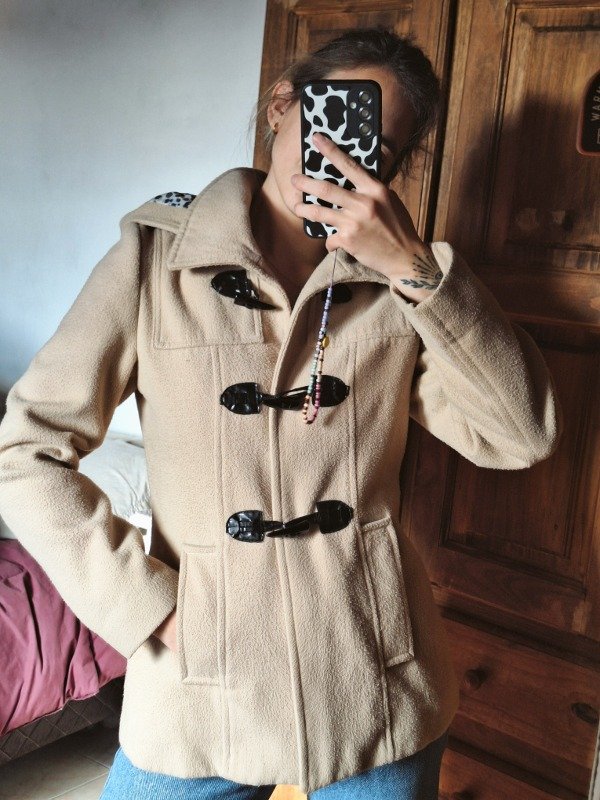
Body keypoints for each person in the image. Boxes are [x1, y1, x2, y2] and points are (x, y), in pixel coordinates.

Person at [0, 27, 562, 800]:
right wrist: (143, 608)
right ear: (280, 105)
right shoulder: (155, 262)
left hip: (377, 689)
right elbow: (25, 451)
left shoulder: (401, 294)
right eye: (328, 121)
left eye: (374, 149)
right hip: (199, 692)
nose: (339, 157)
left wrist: (416, 272)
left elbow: (520, 436)